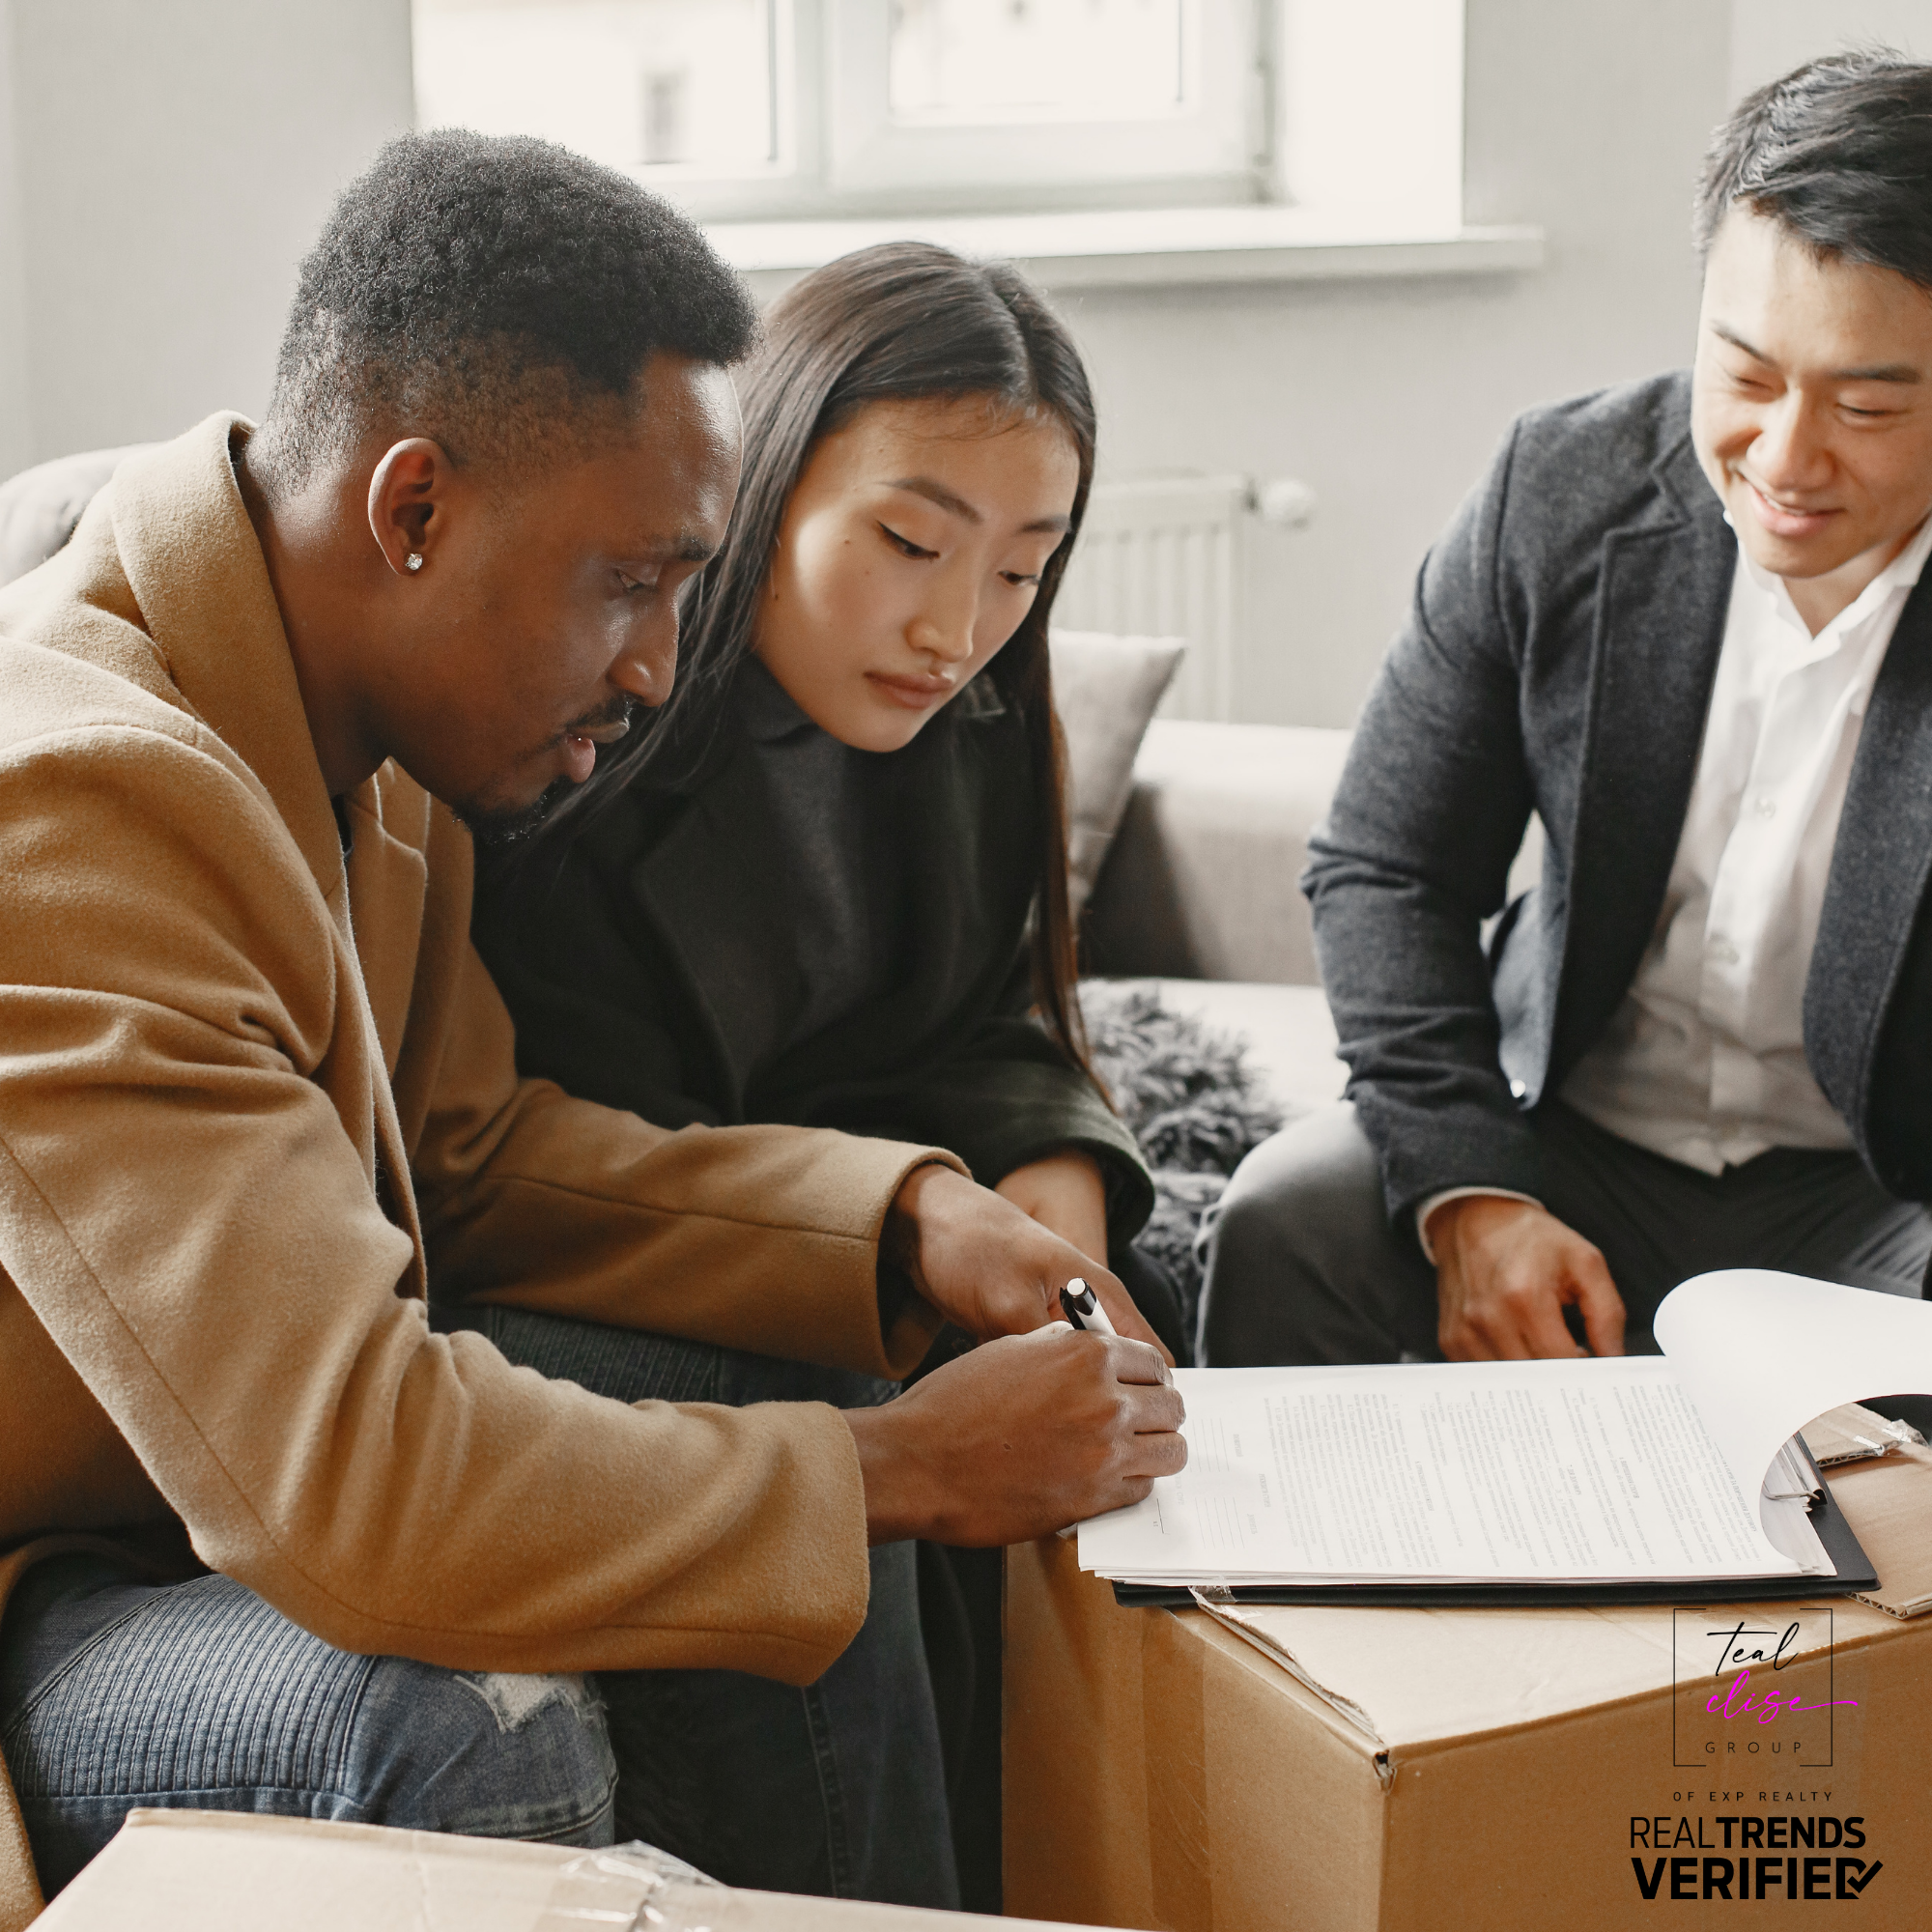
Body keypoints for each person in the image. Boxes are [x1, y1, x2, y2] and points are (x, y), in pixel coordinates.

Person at [0, 132, 1186, 1923]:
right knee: (465, 1714)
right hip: (53, 1588)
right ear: (414, 512)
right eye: (629, 583)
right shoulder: (85, 806)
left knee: (784, 1411)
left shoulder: (351, 730)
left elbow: (474, 1160)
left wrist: (902, 1221)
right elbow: (357, 1487)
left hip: (193, 1511)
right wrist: (904, 1471)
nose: (657, 664)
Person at [470, 242, 1177, 1904]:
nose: (956, 625)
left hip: (857, 1227)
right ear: (764, 481)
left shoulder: (978, 713)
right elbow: (564, 1176)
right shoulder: (578, 733)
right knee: (848, 1423)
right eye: (910, 542)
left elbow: (978, 1023)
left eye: (1024, 567)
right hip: (607, 1256)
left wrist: (1055, 1205)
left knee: (1128, 1352)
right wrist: (915, 1236)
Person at [1199, 50, 1932, 1371]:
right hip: (1563, 1142)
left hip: (1893, 1194)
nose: (1784, 460)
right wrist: (1474, 1196)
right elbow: (1388, 865)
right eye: (1747, 375)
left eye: (1868, 403)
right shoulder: (1562, 486)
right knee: (1280, 1226)